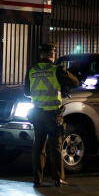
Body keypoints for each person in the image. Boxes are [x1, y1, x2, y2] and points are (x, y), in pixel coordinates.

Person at [24, 42, 79, 187]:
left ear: (40, 54)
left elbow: (26, 92)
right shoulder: (57, 70)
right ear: (52, 53)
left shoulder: (32, 70)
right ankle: (58, 178)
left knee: (38, 146)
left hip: (36, 113)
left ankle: (37, 178)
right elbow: (75, 82)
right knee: (55, 146)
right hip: (53, 114)